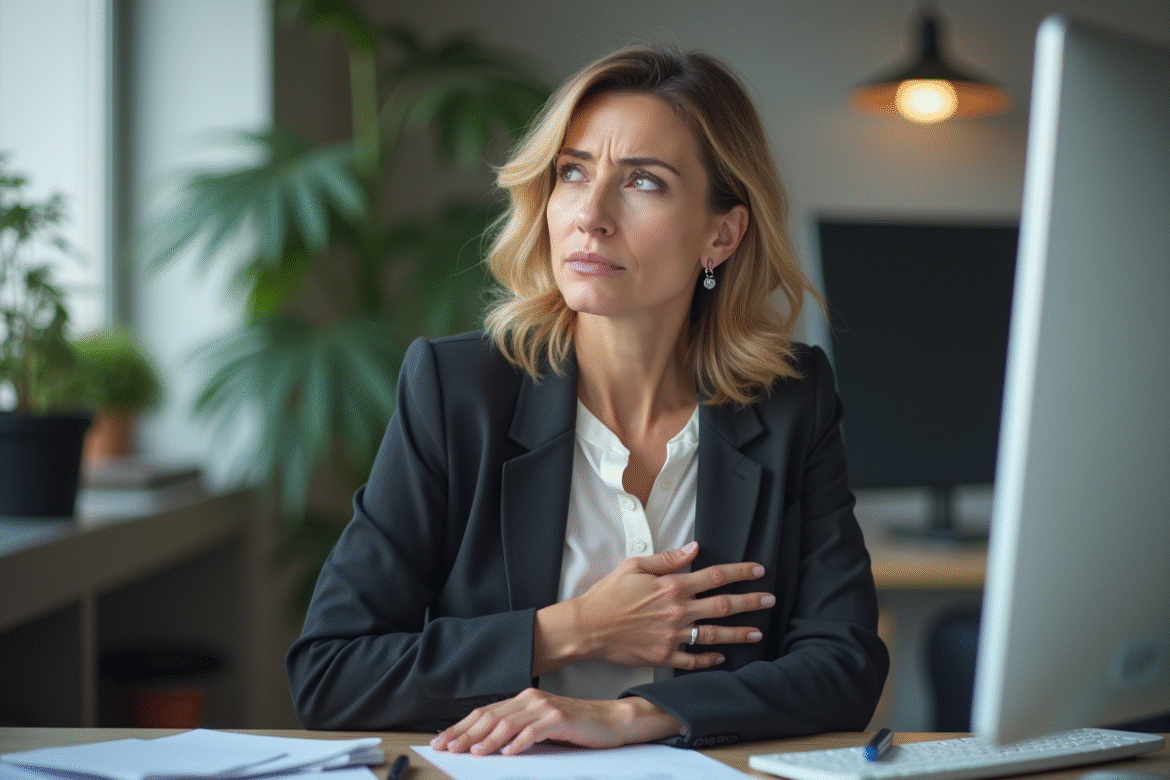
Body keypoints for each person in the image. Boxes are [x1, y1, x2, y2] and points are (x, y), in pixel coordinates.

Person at [286, 44, 888, 755]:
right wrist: (575, 629)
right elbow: (330, 674)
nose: (591, 214)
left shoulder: (792, 399)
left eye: (644, 183)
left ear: (721, 234)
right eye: (572, 172)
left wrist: (640, 713)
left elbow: (845, 664)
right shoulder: (458, 391)